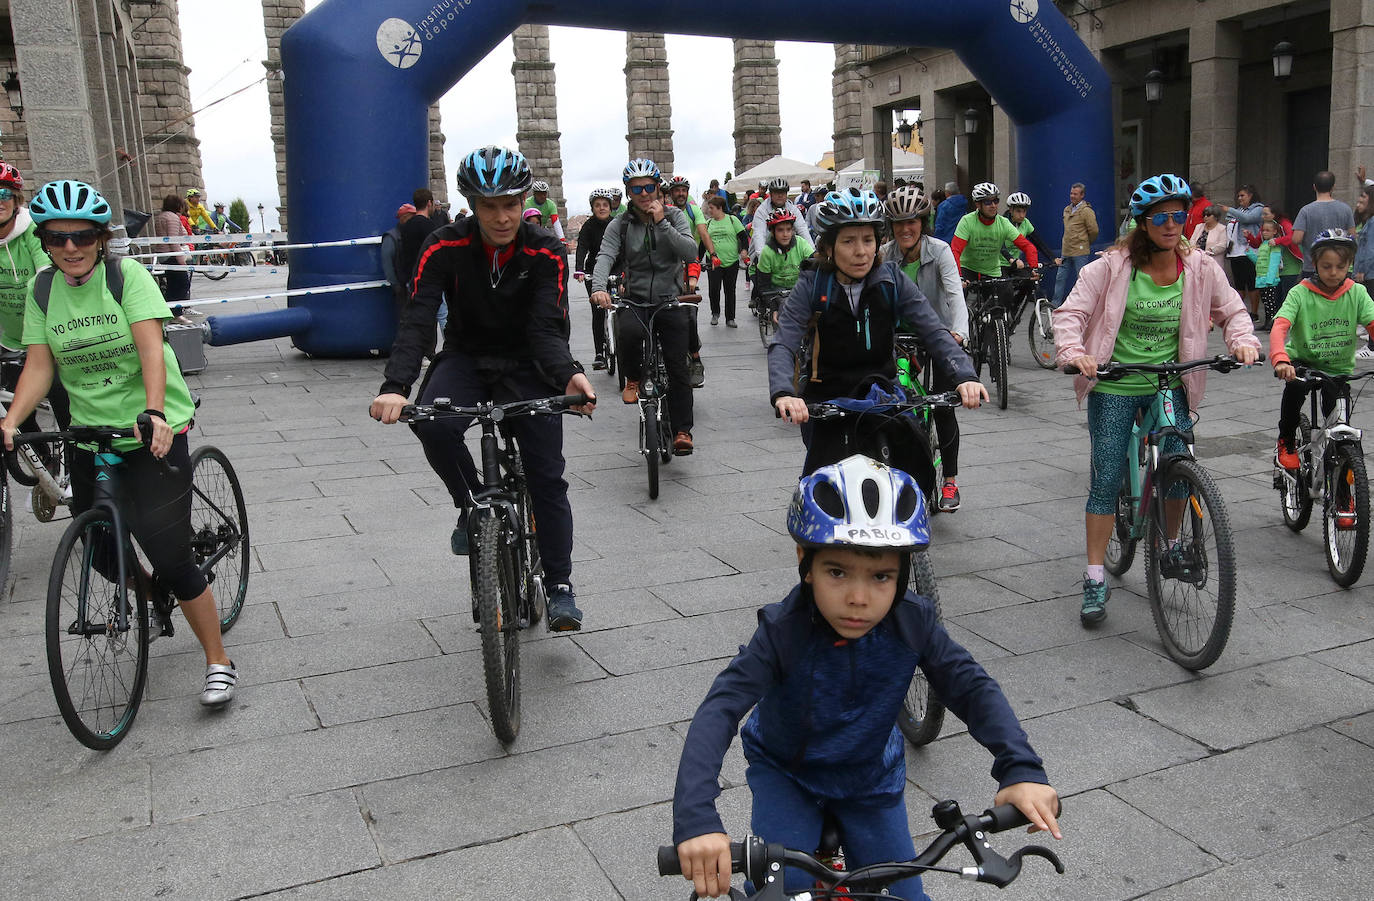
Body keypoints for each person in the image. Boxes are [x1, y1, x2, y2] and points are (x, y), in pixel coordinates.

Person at [670, 455, 1061, 901]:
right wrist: (697, 818)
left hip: (870, 777)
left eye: (881, 576)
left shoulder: (914, 623)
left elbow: (971, 686)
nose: (859, 598)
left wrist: (1021, 768)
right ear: (805, 562)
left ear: (903, 574)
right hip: (788, 773)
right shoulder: (783, 632)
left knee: (903, 897)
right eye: (837, 572)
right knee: (782, 891)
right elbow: (720, 708)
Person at [2, 179, 238, 706]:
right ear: (42, 240)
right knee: (103, 556)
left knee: (172, 555)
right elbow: (40, 364)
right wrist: (11, 421)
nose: (70, 248)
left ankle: (218, 660)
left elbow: (151, 348)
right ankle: (152, 594)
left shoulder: (125, 276)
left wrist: (154, 411)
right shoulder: (43, 289)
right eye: (57, 238)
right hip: (90, 435)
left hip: (151, 428)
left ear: (101, 238)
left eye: (82, 236)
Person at [369, 146, 596, 632]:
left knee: (546, 477)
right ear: (471, 204)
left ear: (523, 202)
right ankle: (471, 505)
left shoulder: (547, 250)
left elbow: (546, 329)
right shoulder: (442, 246)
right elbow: (418, 319)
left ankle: (559, 584)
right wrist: (396, 385)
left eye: (511, 204)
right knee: (433, 424)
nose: (501, 216)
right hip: (466, 356)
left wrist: (567, 375)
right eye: (489, 206)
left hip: (529, 361)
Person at [1052, 174, 1260, 625]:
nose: (1171, 224)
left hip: (1169, 381)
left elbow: (1233, 311)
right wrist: (1074, 353)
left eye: (1178, 215)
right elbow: (1071, 314)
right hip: (1114, 381)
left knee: (1179, 464)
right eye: (1161, 217)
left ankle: (1169, 544)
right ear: (1143, 223)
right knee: (1105, 479)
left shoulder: (1201, 266)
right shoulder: (1110, 266)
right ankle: (1093, 576)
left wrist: (1243, 340)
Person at [768, 188, 986, 477]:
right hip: (828, 399)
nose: (861, 251)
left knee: (912, 477)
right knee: (822, 489)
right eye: (848, 241)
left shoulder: (891, 279)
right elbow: (784, 342)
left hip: (883, 393)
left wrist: (965, 375)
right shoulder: (812, 284)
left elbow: (932, 329)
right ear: (829, 248)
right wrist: (785, 393)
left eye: (868, 240)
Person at [590, 157, 699, 454]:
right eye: (636, 189)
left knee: (678, 367)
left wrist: (661, 222)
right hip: (635, 296)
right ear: (628, 192)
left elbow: (690, 251)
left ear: (657, 187)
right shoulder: (620, 224)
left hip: (669, 297)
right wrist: (599, 288)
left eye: (649, 187)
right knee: (626, 331)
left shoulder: (674, 217)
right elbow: (605, 255)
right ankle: (634, 378)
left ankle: (682, 431)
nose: (644, 193)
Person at [880, 184, 969, 511]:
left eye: (912, 222)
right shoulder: (885, 254)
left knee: (943, 405)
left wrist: (958, 332)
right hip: (899, 338)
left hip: (940, 334)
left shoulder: (940, 251)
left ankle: (950, 482)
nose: (905, 229)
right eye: (898, 223)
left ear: (923, 222)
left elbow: (955, 295)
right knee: (891, 401)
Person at [1272, 229, 1374, 479]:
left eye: (1341, 266)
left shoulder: (1356, 293)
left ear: (1349, 265)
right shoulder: (1300, 293)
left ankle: (1343, 481)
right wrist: (1281, 358)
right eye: (1326, 266)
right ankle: (1286, 439)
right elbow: (1280, 326)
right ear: (1315, 264)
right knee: (1294, 388)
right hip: (1302, 362)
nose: (1333, 272)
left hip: (1337, 368)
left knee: (1341, 422)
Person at [0, 162, 72, 454]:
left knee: (63, 404)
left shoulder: (31, 230)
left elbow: (45, 276)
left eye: (4, 194)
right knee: (18, 412)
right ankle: (45, 462)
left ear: (16, 199)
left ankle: (74, 469)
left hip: (47, 336)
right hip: (11, 339)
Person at [950, 183, 1039, 280]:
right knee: (961, 292)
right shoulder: (967, 221)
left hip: (992, 271)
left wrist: (1033, 268)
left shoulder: (1003, 223)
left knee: (1007, 292)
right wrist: (958, 276)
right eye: (988, 202)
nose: (993, 206)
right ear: (978, 204)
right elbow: (955, 250)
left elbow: (1027, 246)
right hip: (968, 268)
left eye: (996, 201)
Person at [574, 188, 617, 370]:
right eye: (597, 205)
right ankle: (599, 353)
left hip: (617, 268)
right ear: (592, 208)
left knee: (622, 308)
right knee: (598, 312)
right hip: (594, 271)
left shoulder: (616, 224)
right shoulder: (588, 226)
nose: (601, 208)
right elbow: (582, 247)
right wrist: (579, 269)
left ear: (610, 207)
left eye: (605, 205)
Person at [1292, 171, 1357, 279]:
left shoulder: (1306, 210)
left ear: (1314, 187)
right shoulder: (1346, 209)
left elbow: (1296, 239)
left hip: (1312, 266)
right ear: (1333, 187)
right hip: (1339, 267)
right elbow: (1352, 236)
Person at [752, 208, 814, 314]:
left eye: (789, 229)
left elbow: (813, 264)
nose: (785, 234)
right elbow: (764, 284)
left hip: (798, 285)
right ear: (773, 232)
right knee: (782, 310)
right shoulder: (767, 252)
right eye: (780, 230)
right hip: (776, 288)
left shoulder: (801, 244)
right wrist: (772, 305)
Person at [1218, 184, 1266, 316]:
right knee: (1238, 284)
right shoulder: (1239, 210)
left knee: (1251, 284)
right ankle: (1240, 311)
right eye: (1238, 196)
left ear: (1250, 195)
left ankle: (1254, 313)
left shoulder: (1257, 209)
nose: (1239, 198)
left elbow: (1248, 219)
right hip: (1234, 252)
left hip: (1248, 251)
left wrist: (1230, 210)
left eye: (1242, 195)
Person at [1052, 182, 1098, 308]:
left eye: (1075, 194)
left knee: (1082, 280)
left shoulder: (1087, 211)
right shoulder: (1067, 209)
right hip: (1066, 251)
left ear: (1082, 195)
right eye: (1071, 193)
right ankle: (1055, 304)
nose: (1072, 196)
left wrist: (1086, 242)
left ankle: (1083, 305)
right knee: (1060, 278)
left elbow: (1094, 230)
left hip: (1080, 252)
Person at [703, 196, 746, 327]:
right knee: (714, 289)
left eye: (711, 208)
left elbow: (744, 237)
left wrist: (744, 250)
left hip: (731, 261)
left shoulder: (732, 220)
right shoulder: (709, 223)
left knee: (730, 290)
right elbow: (703, 243)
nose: (709, 211)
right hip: (713, 261)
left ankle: (730, 318)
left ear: (720, 208)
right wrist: (698, 259)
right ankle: (715, 313)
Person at [1252, 217, 1302, 329]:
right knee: (1265, 303)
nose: (1264, 232)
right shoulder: (1263, 244)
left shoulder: (1274, 245)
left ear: (1274, 232)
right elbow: (1259, 261)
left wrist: (1269, 279)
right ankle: (1267, 323)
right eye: (1263, 230)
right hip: (1261, 278)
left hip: (1270, 280)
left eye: (1267, 230)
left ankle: (1273, 324)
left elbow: (1274, 263)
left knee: (1272, 303)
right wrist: (1250, 254)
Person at [749, 178, 812, 262]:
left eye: (783, 192)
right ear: (771, 194)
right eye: (776, 193)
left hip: (785, 254)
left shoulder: (792, 209)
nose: (780, 195)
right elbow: (759, 235)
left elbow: (802, 229)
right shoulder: (761, 210)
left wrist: (812, 254)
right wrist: (762, 258)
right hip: (763, 252)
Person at [153, 193, 193, 305]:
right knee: (183, 283)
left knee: (172, 283)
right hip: (171, 254)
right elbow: (173, 240)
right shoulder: (173, 218)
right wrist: (181, 261)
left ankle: (172, 311)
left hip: (162, 254)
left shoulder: (161, 216)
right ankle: (176, 312)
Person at [1003, 192, 1054, 275]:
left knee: (1029, 281)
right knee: (1005, 287)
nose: (1022, 215)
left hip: (1017, 265)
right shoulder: (1002, 223)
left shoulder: (1025, 223)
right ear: (1011, 210)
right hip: (1000, 264)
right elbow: (1001, 247)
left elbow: (1038, 242)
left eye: (1024, 211)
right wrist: (1011, 259)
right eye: (1018, 211)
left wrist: (1053, 258)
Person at [380, 202, 416, 313]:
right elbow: (387, 263)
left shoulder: (410, 234)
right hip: (402, 288)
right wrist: (395, 285)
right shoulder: (391, 237)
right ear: (404, 218)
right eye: (412, 217)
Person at [1354, 184, 1374, 359]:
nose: (1359, 200)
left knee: (1370, 308)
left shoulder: (1373, 222)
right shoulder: (1369, 220)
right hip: (1370, 271)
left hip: (1371, 272)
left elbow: (1370, 250)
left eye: (1363, 197)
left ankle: (1372, 347)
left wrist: (1362, 270)